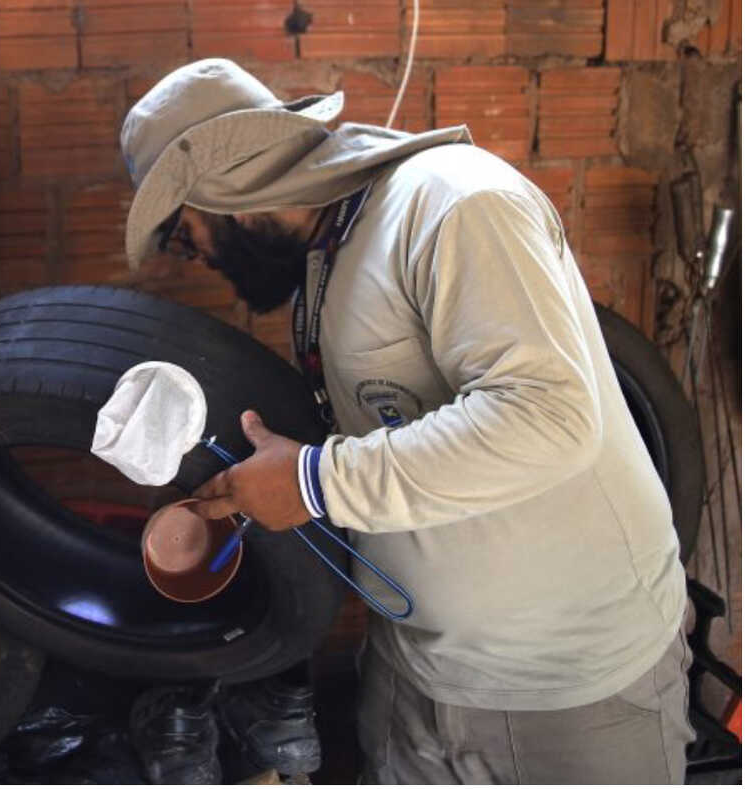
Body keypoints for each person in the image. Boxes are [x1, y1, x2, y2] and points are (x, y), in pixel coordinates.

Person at [119, 58, 694, 784]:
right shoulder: (323, 264)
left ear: (223, 183)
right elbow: (397, 442)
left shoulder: (453, 203)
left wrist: (313, 479)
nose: (192, 256)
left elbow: (547, 416)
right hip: (413, 674)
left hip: (573, 691)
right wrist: (263, 483)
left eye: (181, 231)